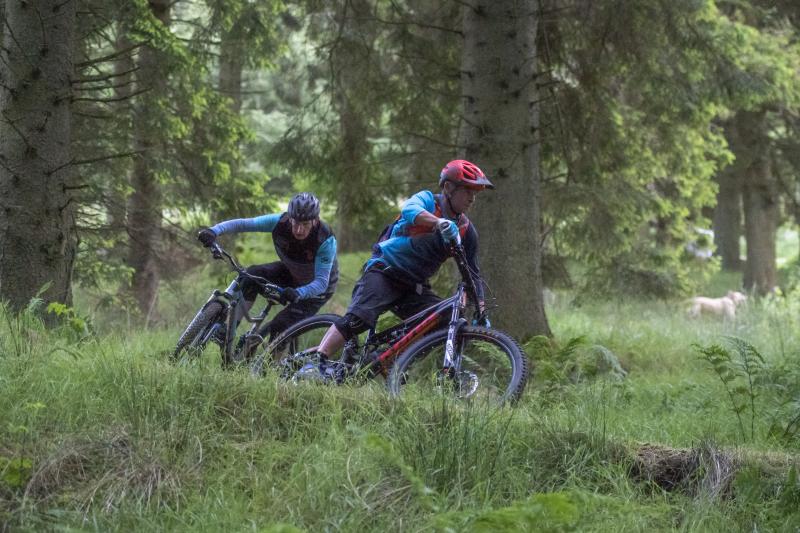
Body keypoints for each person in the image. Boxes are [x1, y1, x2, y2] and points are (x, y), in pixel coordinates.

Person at [300, 159, 493, 380]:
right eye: (468, 190)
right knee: (359, 319)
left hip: (414, 287)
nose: (472, 198)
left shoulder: (467, 231)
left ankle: (388, 360)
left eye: (476, 192)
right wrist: (438, 223)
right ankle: (318, 360)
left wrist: (481, 309)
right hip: (385, 270)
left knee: (446, 318)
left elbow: (473, 274)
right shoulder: (428, 201)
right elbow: (410, 210)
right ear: (448, 187)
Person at [197, 192, 338, 344]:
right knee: (251, 275)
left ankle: (275, 367)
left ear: (315, 221)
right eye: (295, 223)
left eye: (305, 225)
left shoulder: (325, 239)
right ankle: (228, 331)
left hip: (316, 291)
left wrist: (299, 292)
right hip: (292, 274)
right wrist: (214, 230)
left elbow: (322, 282)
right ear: (290, 218)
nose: (299, 230)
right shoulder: (279, 222)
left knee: (281, 326)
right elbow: (244, 224)